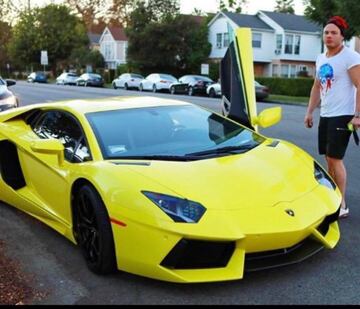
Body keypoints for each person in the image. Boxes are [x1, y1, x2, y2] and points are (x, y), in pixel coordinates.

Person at [304, 16, 360, 219]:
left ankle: (342, 204)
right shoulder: (321, 58)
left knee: (336, 159)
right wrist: (310, 111)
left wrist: (357, 115)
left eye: (333, 32)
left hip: (343, 115)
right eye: (326, 32)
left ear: (342, 36)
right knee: (328, 158)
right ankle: (332, 197)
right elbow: (316, 87)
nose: (329, 35)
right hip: (326, 114)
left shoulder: (350, 57)